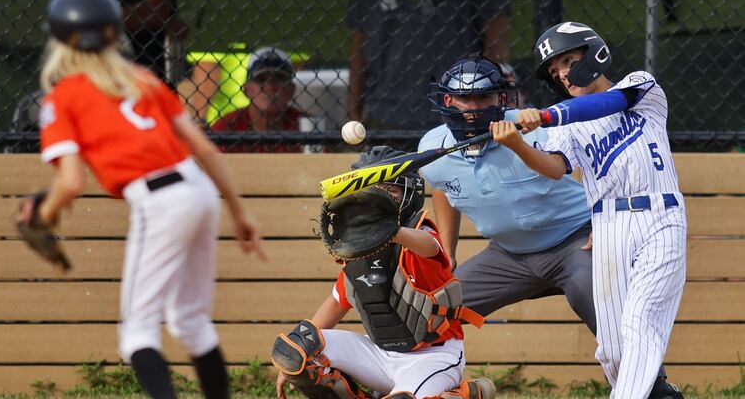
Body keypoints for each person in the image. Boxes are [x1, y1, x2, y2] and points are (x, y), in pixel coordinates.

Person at [34, 0, 266, 399]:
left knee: (137, 333)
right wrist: (239, 211)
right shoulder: (142, 79)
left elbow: (70, 182)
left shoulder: (62, 96)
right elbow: (205, 149)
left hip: (158, 200)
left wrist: (44, 215)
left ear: (59, 40)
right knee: (190, 321)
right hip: (197, 190)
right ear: (113, 33)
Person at [418, 55, 683, 399]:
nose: (472, 108)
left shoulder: (535, 127)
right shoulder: (432, 147)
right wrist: (449, 253)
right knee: (432, 311)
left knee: (607, 307)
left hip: (575, 243)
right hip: (508, 257)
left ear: (501, 98)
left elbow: (599, 166)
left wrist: (603, 224)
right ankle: (418, 387)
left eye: (483, 97)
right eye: (465, 98)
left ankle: (654, 389)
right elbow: (441, 185)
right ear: (448, 101)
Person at [490, 21, 687, 399]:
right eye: (554, 70)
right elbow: (555, 168)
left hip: (660, 217)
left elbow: (606, 103)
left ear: (592, 53)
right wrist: (517, 144)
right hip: (609, 225)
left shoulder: (639, 86)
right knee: (613, 350)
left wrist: (546, 115)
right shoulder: (568, 125)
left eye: (567, 60)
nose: (562, 73)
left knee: (640, 323)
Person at [271, 146, 493, 399]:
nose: (380, 197)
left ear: (410, 194)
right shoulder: (359, 250)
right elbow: (335, 304)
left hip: (433, 357)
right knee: (295, 347)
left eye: (391, 190)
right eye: (372, 190)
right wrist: (298, 363)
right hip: (379, 354)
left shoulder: (422, 235)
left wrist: (392, 232)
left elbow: (430, 247)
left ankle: (461, 395)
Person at [347, 0, 510, 131]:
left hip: (458, 106)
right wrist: (352, 112)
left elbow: (496, 31)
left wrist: (488, 96)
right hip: (385, 109)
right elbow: (359, 41)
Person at [48, 0, 187, 80]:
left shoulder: (154, 95)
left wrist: (92, 22)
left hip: (143, 66)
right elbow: (67, 10)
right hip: (83, 66)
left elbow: (158, 9)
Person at [210, 47, 303, 153]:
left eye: (279, 79)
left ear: (292, 90)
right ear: (246, 89)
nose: (270, 87)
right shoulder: (225, 128)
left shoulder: (307, 125)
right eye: (261, 79)